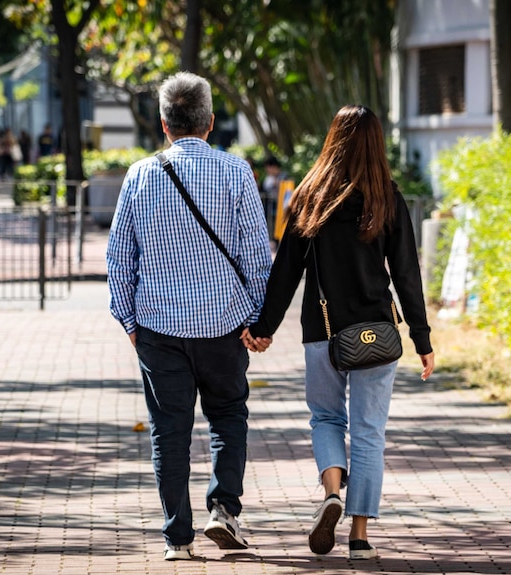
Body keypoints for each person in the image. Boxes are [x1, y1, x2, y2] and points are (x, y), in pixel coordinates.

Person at [242, 105, 435, 560]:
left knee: (327, 418)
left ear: (333, 140)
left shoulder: (310, 195)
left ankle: (332, 491)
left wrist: (263, 328)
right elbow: (407, 274)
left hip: (322, 332)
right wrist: (422, 339)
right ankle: (360, 537)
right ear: (377, 144)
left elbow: (286, 270)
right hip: (377, 335)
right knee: (369, 432)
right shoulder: (386, 196)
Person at [106, 72, 272, 561]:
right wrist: (257, 320)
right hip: (225, 326)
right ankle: (225, 509)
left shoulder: (140, 175)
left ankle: (177, 537)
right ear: (211, 122)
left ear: (163, 124)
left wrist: (130, 322)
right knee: (228, 416)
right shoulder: (237, 173)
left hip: (159, 329)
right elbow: (258, 257)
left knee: (169, 430)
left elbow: (120, 259)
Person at [261, 155, 286, 243]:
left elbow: (287, 190)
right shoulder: (268, 178)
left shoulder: (284, 176)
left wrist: (277, 183)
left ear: (274, 166)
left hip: (282, 208)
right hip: (270, 208)